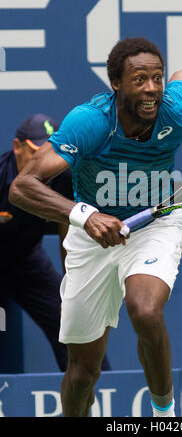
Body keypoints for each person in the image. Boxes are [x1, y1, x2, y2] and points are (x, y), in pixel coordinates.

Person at [8, 37, 182, 417]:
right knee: (81, 375)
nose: (151, 89)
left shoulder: (177, 110)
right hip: (91, 236)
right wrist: (86, 215)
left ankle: (165, 413)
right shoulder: (91, 122)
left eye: (157, 78)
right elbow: (22, 187)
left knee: (145, 310)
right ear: (116, 84)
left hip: (156, 223)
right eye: (139, 79)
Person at [0, 113, 111, 372]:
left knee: (71, 326)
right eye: (36, 152)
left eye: (51, 151)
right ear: (18, 147)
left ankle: (101, 394)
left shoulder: (62, 178)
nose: (45, 160)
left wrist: (69, 291)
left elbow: (67, 234)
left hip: (25, 262)